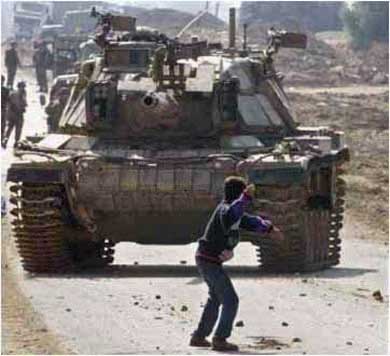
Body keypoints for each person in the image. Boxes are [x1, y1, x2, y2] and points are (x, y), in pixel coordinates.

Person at [190, 176, 284, 352]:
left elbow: (252, 221)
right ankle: (220, 339)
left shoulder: (234, 214)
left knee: (216, 298)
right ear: (238, 194)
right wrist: (246, 197)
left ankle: (199, 336)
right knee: (231, 300)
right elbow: (235, 211)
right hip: (208, 260)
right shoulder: (225, 210)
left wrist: (270, 229)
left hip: (207, 259)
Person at [2, 81, 27, 149]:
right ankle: (10, 140)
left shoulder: (20, 94)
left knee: (14, 128)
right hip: (15, 114)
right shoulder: (16, 94)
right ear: (20, 87)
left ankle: (12, 141)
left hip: (16, 114)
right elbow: (12, 104)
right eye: (23, 87)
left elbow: (24, 104)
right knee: (14, 128)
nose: (24, 88)